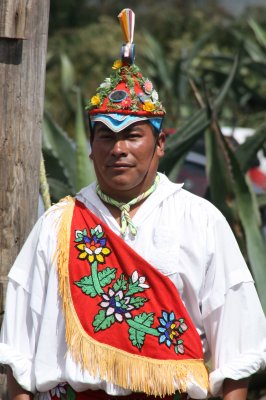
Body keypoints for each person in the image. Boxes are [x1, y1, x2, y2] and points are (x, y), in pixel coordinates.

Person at [1, 8, 266, 400]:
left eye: (133, 135)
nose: (118, 149)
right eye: (105, 135)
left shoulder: (200, 221)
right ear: (90, 147)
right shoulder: (58, 226)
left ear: (160, 144)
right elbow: (19, 365)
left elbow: (237, 355)